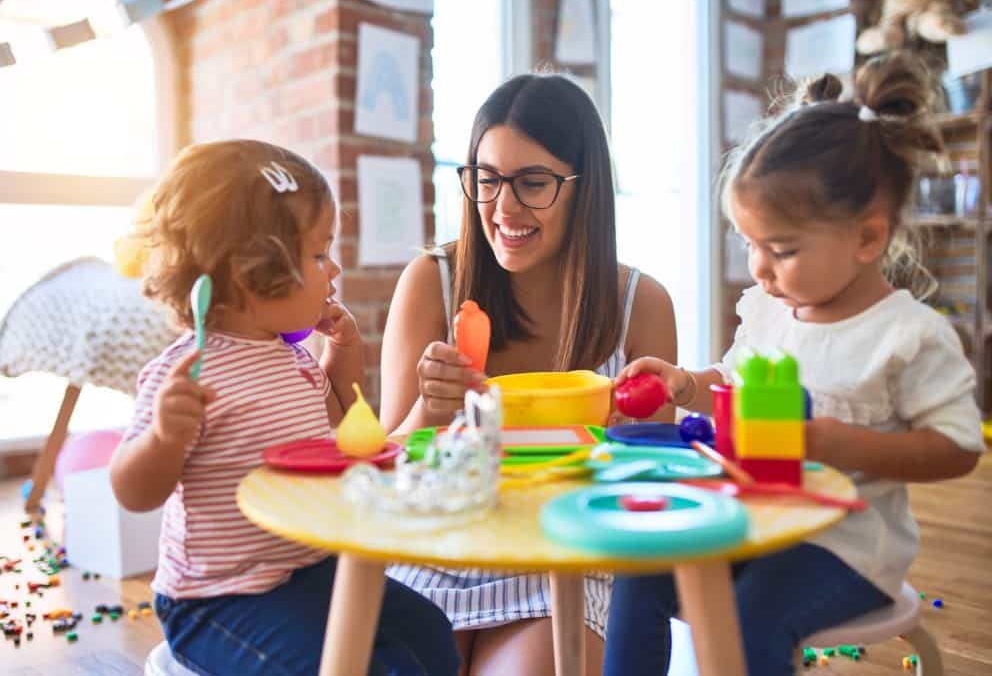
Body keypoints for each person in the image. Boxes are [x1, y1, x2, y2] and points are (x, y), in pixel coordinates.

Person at [604, 52, 984, 676]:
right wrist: (686, 384)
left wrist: (837, 444)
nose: (758, 269)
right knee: (641, 568)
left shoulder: (907, 336)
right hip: (752, 520)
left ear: (867, 238)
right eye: (750, 244)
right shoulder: (769, 311)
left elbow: (959, 448)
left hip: (847, 549)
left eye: (780, 250)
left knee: (747, 617)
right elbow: (733, 383)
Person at [110, 140, 460, 675]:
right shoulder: (186, 372)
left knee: (432, 637)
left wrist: (342, 360)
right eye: (318, 255)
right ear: (252, 273)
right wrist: (164, 438)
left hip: (309, 569)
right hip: (219, 600)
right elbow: (133, 492)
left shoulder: (292, 359)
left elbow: (344, 436)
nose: (334, 269)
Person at [379, 73, 678, 676]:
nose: (504, 208)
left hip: (568, 560)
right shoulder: (431, 282)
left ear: (584, 188)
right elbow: (385, 466)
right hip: (432, 550)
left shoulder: (640, 304)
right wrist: (428, 411)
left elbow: (649, 489)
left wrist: (626, 446)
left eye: (533, 183)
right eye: (487, 179)